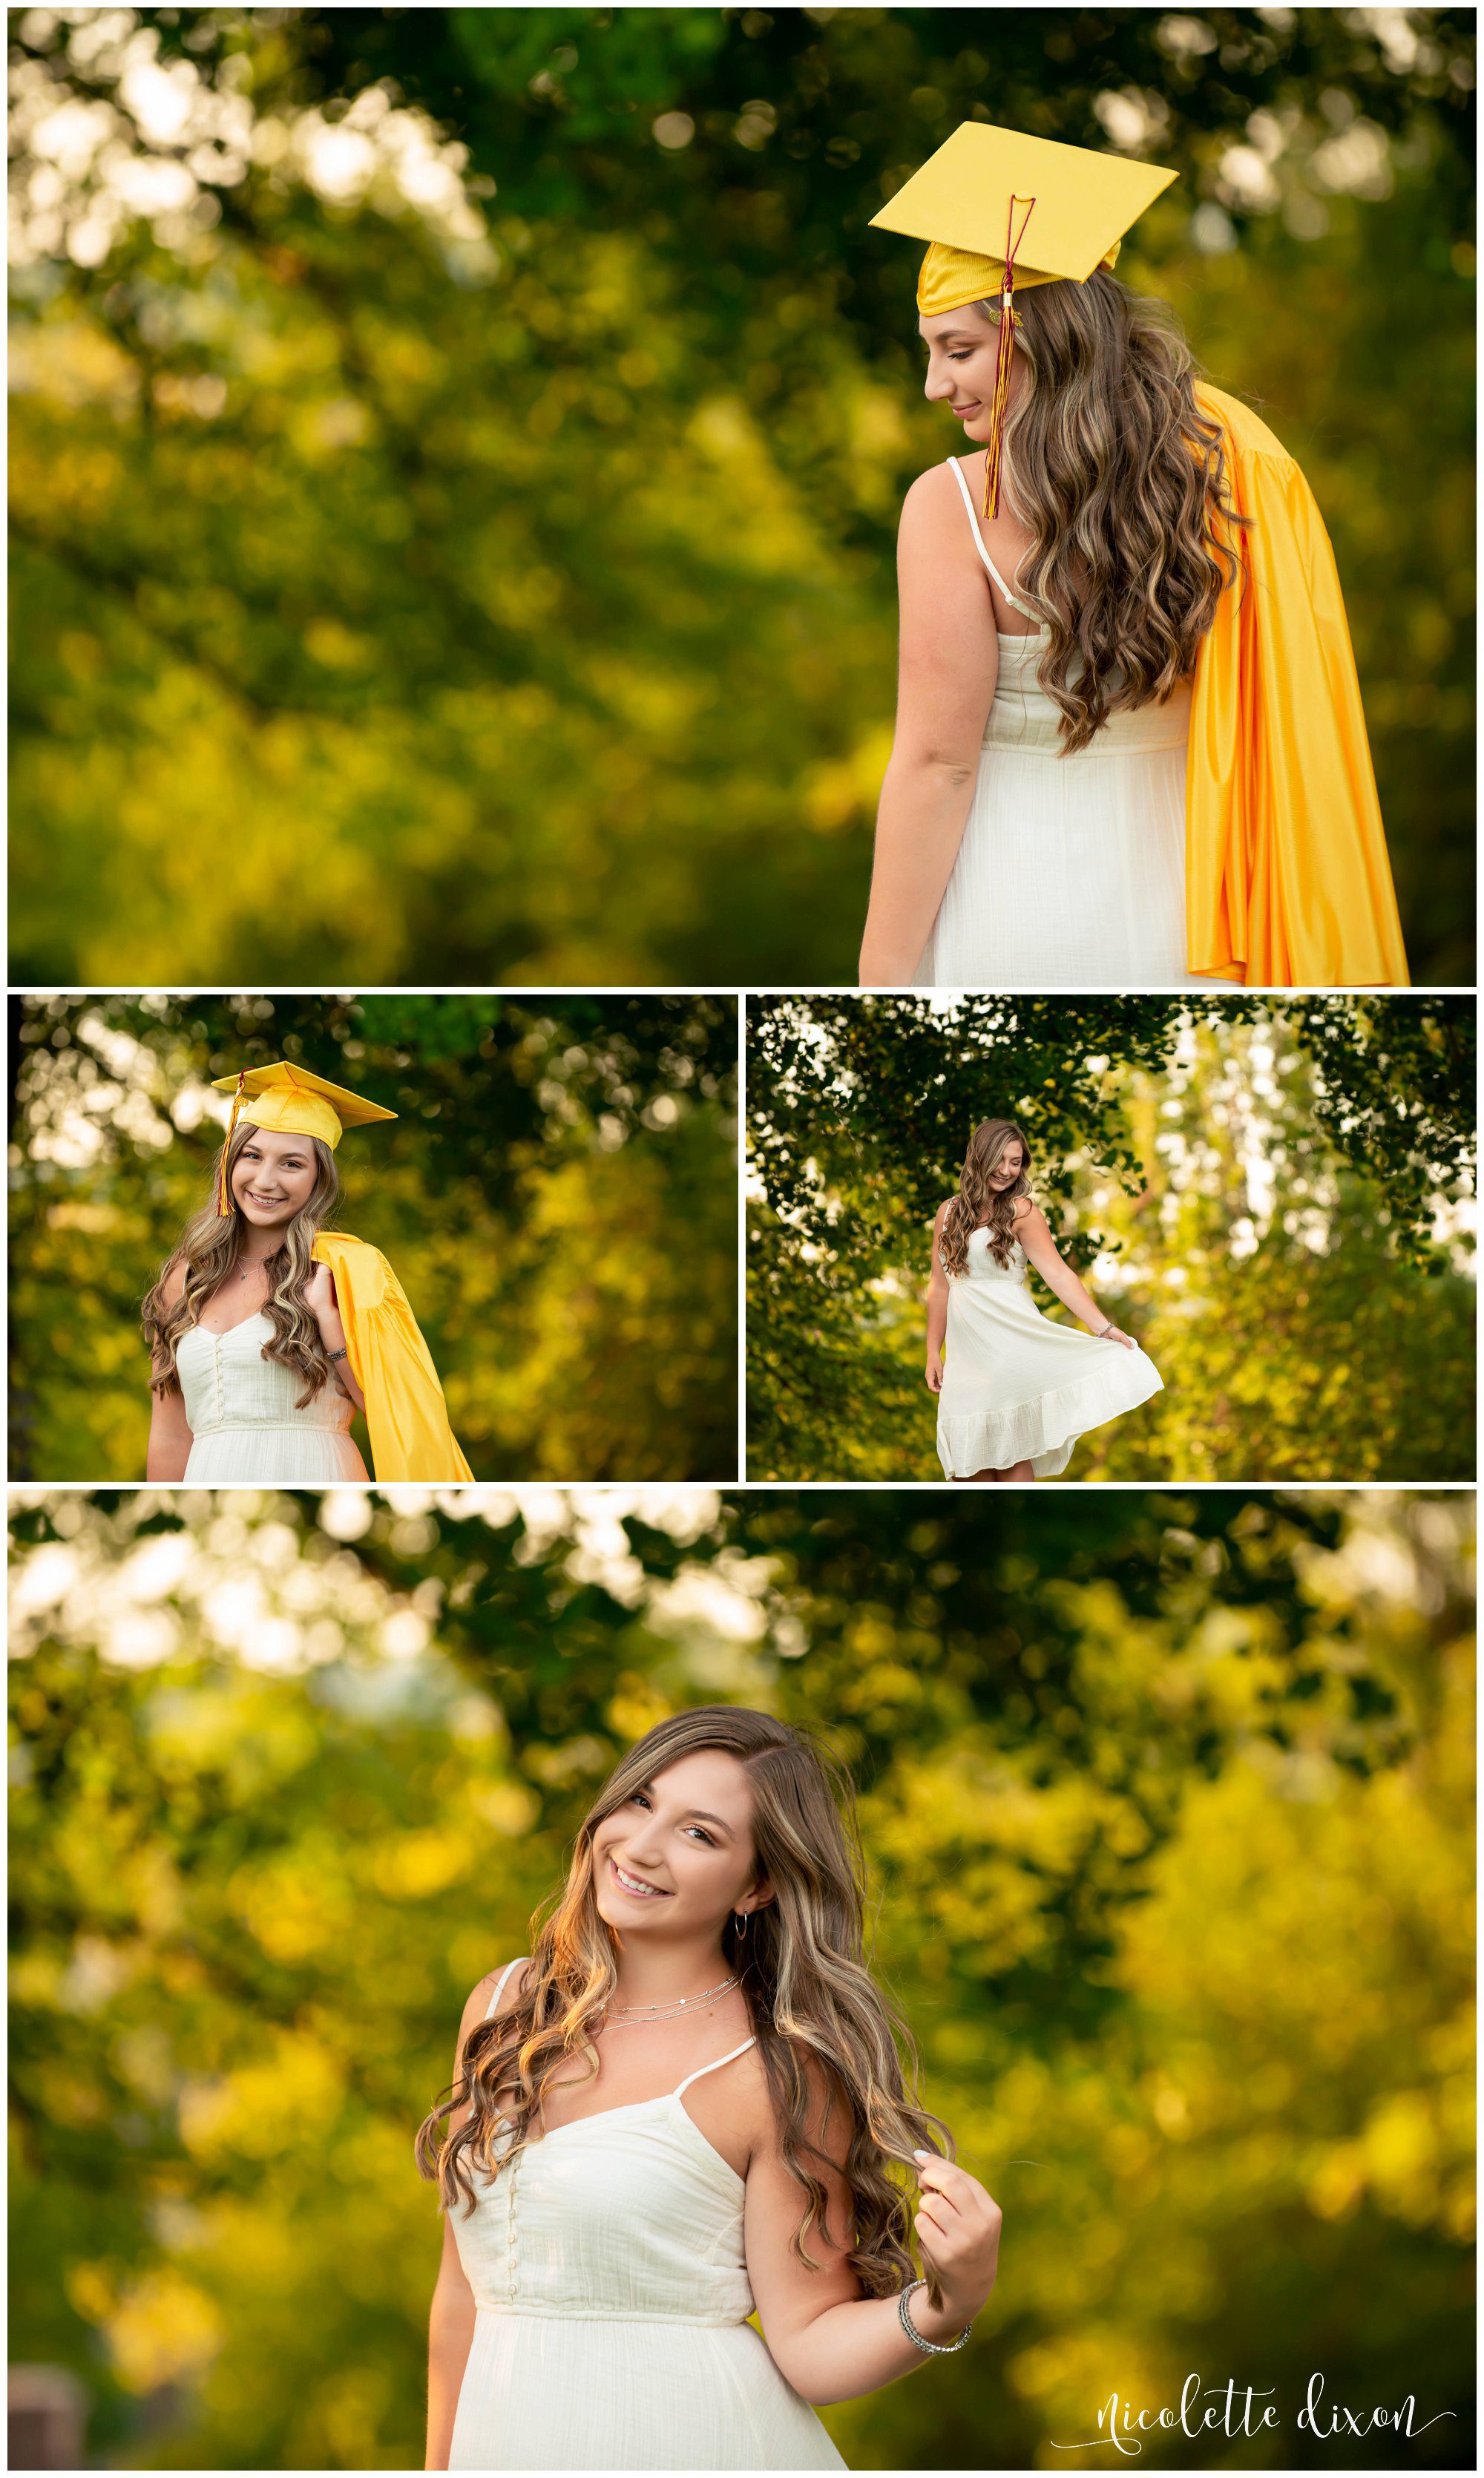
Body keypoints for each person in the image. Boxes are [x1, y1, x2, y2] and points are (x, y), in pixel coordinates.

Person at [858, 121, 1409, 991]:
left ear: (1035, 333)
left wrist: (879, 979)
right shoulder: (1228, 470)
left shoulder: (952, 505)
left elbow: (939, 764)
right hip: (1205, 908)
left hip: (1016, 896)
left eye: (955, 351)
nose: (933, 386)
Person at [417, 1706, 1003, 2471]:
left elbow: (809, 2345)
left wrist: (948, 2302)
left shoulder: (777, 2073)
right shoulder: (502, 2009)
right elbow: (459, 2291)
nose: (642, 1847)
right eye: (639, 1801)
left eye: (699, 1834)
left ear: (756, 1886)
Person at [142, 1060, 472, 1483]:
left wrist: (330, 1323)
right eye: (252, 1155)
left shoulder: (345, 1268)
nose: (264, 1180)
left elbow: (396, 1412)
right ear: (230, 1162)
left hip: (317, 1471)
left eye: (292, 1164)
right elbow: (169, 1438)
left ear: (320, 1180)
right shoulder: (187, 1280)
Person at [927, 1118, 1161, 1482]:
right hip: (965, 1363)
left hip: (1010, 1353)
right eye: (1000, 1159)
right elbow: (940, 1287)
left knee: (1012, 1459)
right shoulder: (949, 1213)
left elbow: (1058, 1275)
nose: (1007, 1170)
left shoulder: (1022, 1211)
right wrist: (932, 1351)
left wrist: (1104, 1327)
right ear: (979, 1157)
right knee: (967, 1467)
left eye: (1016, 1162)